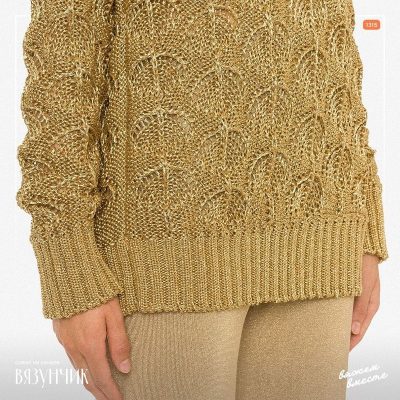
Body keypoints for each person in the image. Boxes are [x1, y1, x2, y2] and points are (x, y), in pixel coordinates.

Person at [16, 1, 389, 399]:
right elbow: (62, 68)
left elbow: (333, 35)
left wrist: (363, 214)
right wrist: (67, 260)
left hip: (321, 224)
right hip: (165, 245)